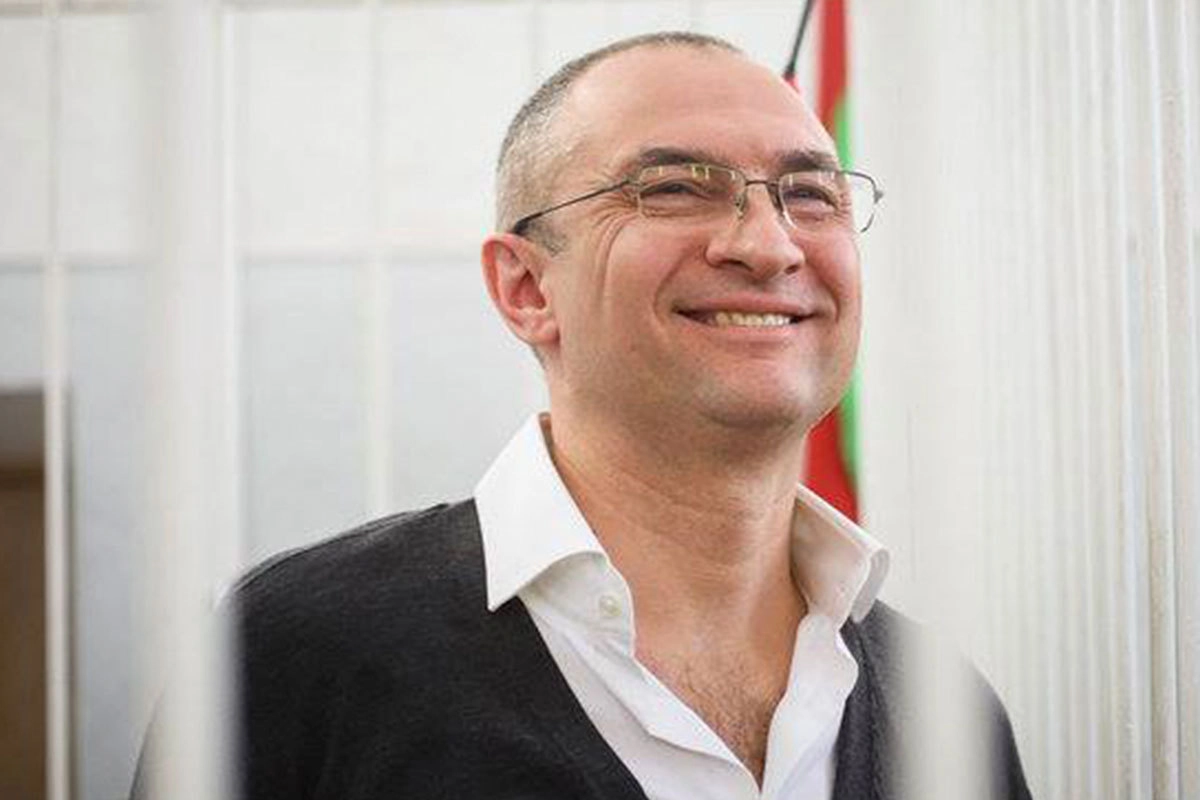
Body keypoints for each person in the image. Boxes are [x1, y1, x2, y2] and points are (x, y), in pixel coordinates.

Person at [134, 31, 1031, 800]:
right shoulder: (299, 657)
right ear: (526, 287)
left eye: (809, 195)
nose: (769, 245)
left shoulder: (946, 716)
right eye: (674, 187)